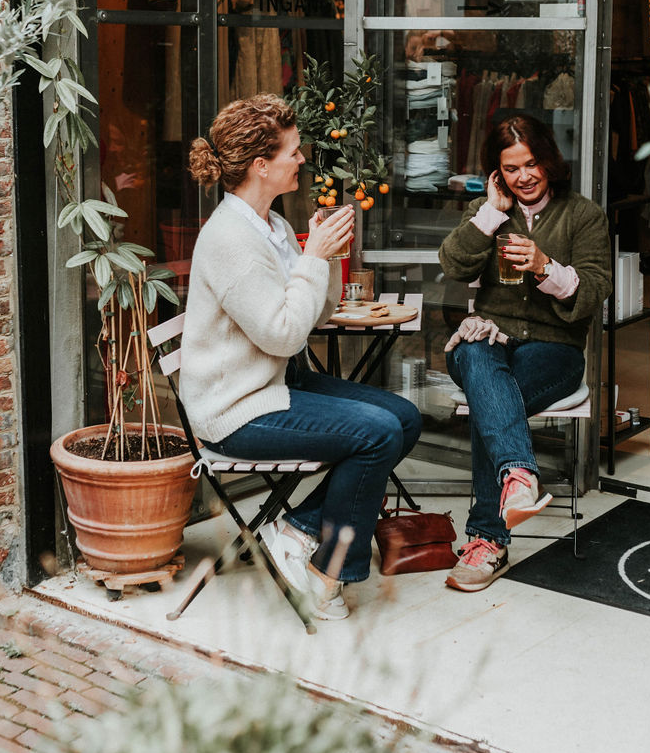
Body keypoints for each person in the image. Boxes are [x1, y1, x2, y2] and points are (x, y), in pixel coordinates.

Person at [180, 93, 421, 620]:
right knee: (376, 433)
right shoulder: (229, 238)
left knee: (403, 418)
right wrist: (313, 258)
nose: (303, 158)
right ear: (260, 166)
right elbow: (284, 336)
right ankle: (324, 573)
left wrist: (327, 259)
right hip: (235, 409)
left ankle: (298, 529)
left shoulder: (273, 227)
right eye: (293, 151)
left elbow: (315, 312)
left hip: (275, 384)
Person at [438, 112, 611, 592]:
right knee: (476, 353)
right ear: (498, 173)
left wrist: (544, 266)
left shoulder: (583, 214)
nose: (524, 177)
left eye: (531, 164)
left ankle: (486, 541)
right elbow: (452, 263)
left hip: (553, 349)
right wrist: (490, 212)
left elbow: (594, 292)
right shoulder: (490, 210)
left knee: (489, 401)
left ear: (548, 161)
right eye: (511, 169)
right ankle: (518, 478)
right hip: (488, 339)